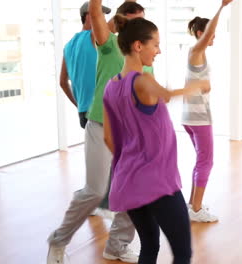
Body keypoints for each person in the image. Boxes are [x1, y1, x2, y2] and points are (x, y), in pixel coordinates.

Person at [46, 1, 147, 263]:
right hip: (101, 124)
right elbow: (95, 12)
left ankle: (117, 245)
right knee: (95, 190)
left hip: (131, 133)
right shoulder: (107, 44)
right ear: (119, 22)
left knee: (134, 189)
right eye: (131, 21)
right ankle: (58, 240)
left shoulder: (145, 55)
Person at [103, 15, 209, 264]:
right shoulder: (143, 80)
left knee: (149, 246)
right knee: (183, 252)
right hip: (158, 182)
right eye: (155, 45)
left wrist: (132, 157)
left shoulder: (111, 87)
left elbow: (109, 137)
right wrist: (198, 85)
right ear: (138, 46)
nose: (158, 51)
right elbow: (168, 95)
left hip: (127, 179)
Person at [183, 0, 233, 222]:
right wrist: (221, 8)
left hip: (192, 116)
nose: (214, 37)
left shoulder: (197, 54)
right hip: (198, 118)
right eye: (210, 35)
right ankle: (196, 209)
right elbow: (210, 31)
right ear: (202, 33)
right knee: (206, 161)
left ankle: (193, 204)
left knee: (201, 160)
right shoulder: (196, 50)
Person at [59, 2, 111, 129]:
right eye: (101, 15)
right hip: (100, 109)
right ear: (89, 16)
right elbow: (116, 23)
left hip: (84, 111)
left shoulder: (68, 46)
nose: (104, 19)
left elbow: (62, 82)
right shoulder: (93, 36)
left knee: (96, 148)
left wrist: (79, 104)